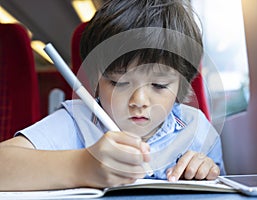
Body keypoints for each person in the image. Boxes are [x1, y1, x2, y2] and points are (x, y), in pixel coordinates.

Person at [0, 0, 225, 191]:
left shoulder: (197, 129)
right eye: (119, 83)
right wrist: (81, 166)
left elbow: (221, 181)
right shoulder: (76, 121)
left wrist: (205, 171)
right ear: (96, 81)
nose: (139, 101)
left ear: (181, 86)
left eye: (159, 85)